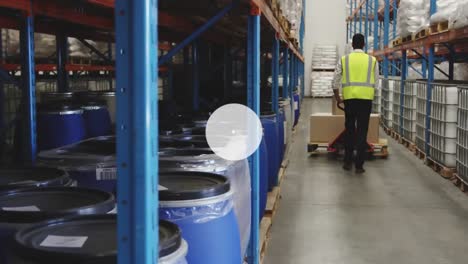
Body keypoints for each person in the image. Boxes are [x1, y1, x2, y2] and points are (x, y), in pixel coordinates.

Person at [332, 34, 379, 174]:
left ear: (352, 45)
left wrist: (337, 97)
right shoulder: (372, 60)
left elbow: (335, 81)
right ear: (364, 45)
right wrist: (371, 96)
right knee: (362, 131)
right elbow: (376, 84)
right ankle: (359, 165)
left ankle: (347, 162)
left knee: (350, 129)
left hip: (350, 100)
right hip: (365, 100)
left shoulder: (344, 60)